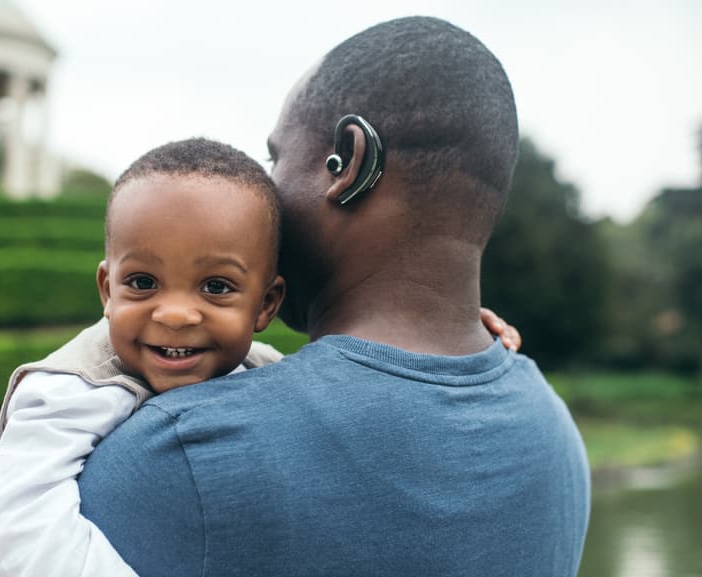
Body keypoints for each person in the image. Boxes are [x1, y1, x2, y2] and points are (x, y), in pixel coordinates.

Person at [77, 15, 590, 577]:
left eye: (276, 159)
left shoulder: (179, 455)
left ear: (350, 163)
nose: (264, 193)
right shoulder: (556, 433)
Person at [0, 136, 517, 577]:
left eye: (215, 287)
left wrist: (453, 324)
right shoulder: (66, 389)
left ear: (266, 305)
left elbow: (356, 373)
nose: (176, 314)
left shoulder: (256, 364)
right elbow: (18, 532)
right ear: (106, 289)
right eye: (142, 282)